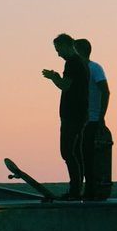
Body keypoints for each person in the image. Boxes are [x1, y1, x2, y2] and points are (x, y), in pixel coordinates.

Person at [41, 34, 88, 200]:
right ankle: (77, 189)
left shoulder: (72, 63)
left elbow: (65, 85)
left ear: (66, 46)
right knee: (75, 153)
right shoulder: (79, 63)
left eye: (58, 49)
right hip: (79, 115)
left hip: (73, 115)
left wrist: (54, 78)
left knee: (67, 152)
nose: (58, 54)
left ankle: (75, 190)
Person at [75, 38, 112, 201]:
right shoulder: (78, 70)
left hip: (92, 119)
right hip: (79, 120)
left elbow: (106, 91)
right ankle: (78, 188)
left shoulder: (95, 68)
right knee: (77, 155)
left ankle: (90, 190)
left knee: (88, 156)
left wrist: (101, 116)